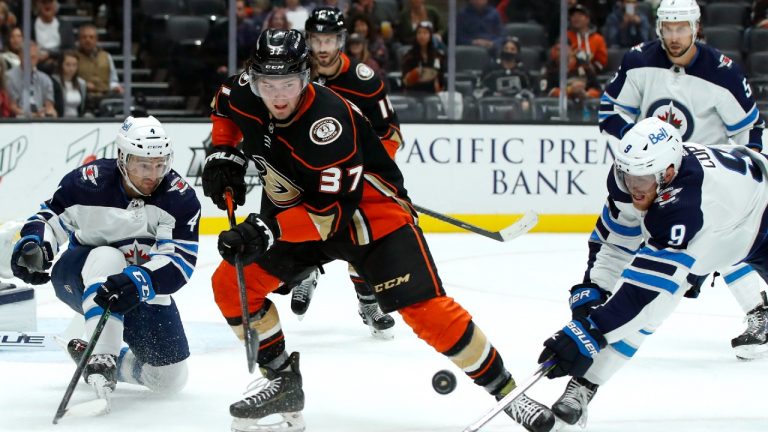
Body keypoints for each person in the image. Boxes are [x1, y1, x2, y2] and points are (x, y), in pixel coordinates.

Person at [202, 28, 556, 432]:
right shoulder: (243, 91)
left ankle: (509, 393)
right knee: (231, 284)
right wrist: (224, 152)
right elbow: (223, 106)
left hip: (369, 214)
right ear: (254, 77)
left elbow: (328, 218)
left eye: (289, 83)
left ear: (306, 77)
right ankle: (282, 381)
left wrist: (263, 230)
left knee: (425, 312)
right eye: (269, 83)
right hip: (300, 211)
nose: (278, 95)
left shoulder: (328, 123)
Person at [534, 116, 768, 428]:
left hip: (755, 215)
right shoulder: (635, 176)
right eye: (627, 175)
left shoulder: (683, 203)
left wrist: (590, 331)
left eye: (641, 180)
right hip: (726, 216)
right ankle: (583, 387)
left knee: (649, 304)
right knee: (655, 306)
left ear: (668, 173)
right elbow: (614, 243)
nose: (633, 187)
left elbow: (642, 294)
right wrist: (593, 292)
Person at [598, 0, 768, 364]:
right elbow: (610, 109)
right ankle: (606, 308)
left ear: (696, 28)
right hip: (658, 175)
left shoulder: (723, 73)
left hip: (708, 179)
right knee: (634, 239)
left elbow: (750, 129)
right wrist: (637, 146)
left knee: (724, 241)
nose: (675, 36)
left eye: (682, 28)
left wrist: (746, 175)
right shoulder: (640, 60)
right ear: (659, 28)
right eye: (668, 28)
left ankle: (758, 309)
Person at [10, 116, 200, 401]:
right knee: (108, 256)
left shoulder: (179, 199)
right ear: (122, 158)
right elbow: (48, 219)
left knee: (170, 379)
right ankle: (102, 358)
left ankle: (93, 356)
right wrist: (36, 245)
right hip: (78, 277)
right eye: (142, 164)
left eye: (160, 164)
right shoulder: (88, 183)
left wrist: (138, 281)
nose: (152, 174)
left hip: (137, 290)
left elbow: (180, 263)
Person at [283, 6, 404, 338]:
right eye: (316, 40)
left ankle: (368, 301)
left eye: (329, 40)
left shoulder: (363, 81)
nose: (322, 48)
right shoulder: (293, 74)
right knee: (299, 222)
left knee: (362, 231)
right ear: (308, 40)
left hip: (352, 174)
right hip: (305, 172)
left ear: (341, 41)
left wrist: (367, 171)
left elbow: (390, 133)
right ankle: (306, 273)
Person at [75, 23, 123, 108]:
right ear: (79, 39)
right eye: (84, 37)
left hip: (105, 95)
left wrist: (115, 87)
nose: (88, 40)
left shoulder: (106, 56)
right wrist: (83, 85)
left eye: (91, 37)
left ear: (97, 40)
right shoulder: (74, 57)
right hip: (84, 96)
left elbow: (113, 80)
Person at [5, 40, 57, 118]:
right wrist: (33, 115)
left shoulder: (45, 79)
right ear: (19, 56)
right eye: (27, 57)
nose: (30, 60)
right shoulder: (8, 77)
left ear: (38, 58)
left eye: (33, 57)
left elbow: (49, 106)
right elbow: (12, 107)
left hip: (40, 119)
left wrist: (48, 111)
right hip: (17, 120)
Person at [401, 20, 446, 95]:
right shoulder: (409, 56)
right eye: (419, 33)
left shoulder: (438, 55)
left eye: (425, 33)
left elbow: (441, 77)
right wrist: (411, 76)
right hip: (414, 92)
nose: (422, 36)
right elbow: (404, 81)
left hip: (432, 92)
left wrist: (439, 85)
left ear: (430, 35)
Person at [565, 4, 607, 73]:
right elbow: (556, 56)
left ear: (587, 19)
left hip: (591, 76)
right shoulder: (565, 36)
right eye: (573, 15)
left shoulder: (598, 39)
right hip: (569, 74)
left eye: (580, 15)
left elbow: (601, 62)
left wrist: (590, 67)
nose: (576, 18)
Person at [52, 50, 86, 117]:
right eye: (68, 65)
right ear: (61, 65)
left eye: (74, 65)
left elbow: (82, 107)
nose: (71, 68)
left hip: (77, 121)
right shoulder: (53, 82)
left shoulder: (81, 83)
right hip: (60, 121)